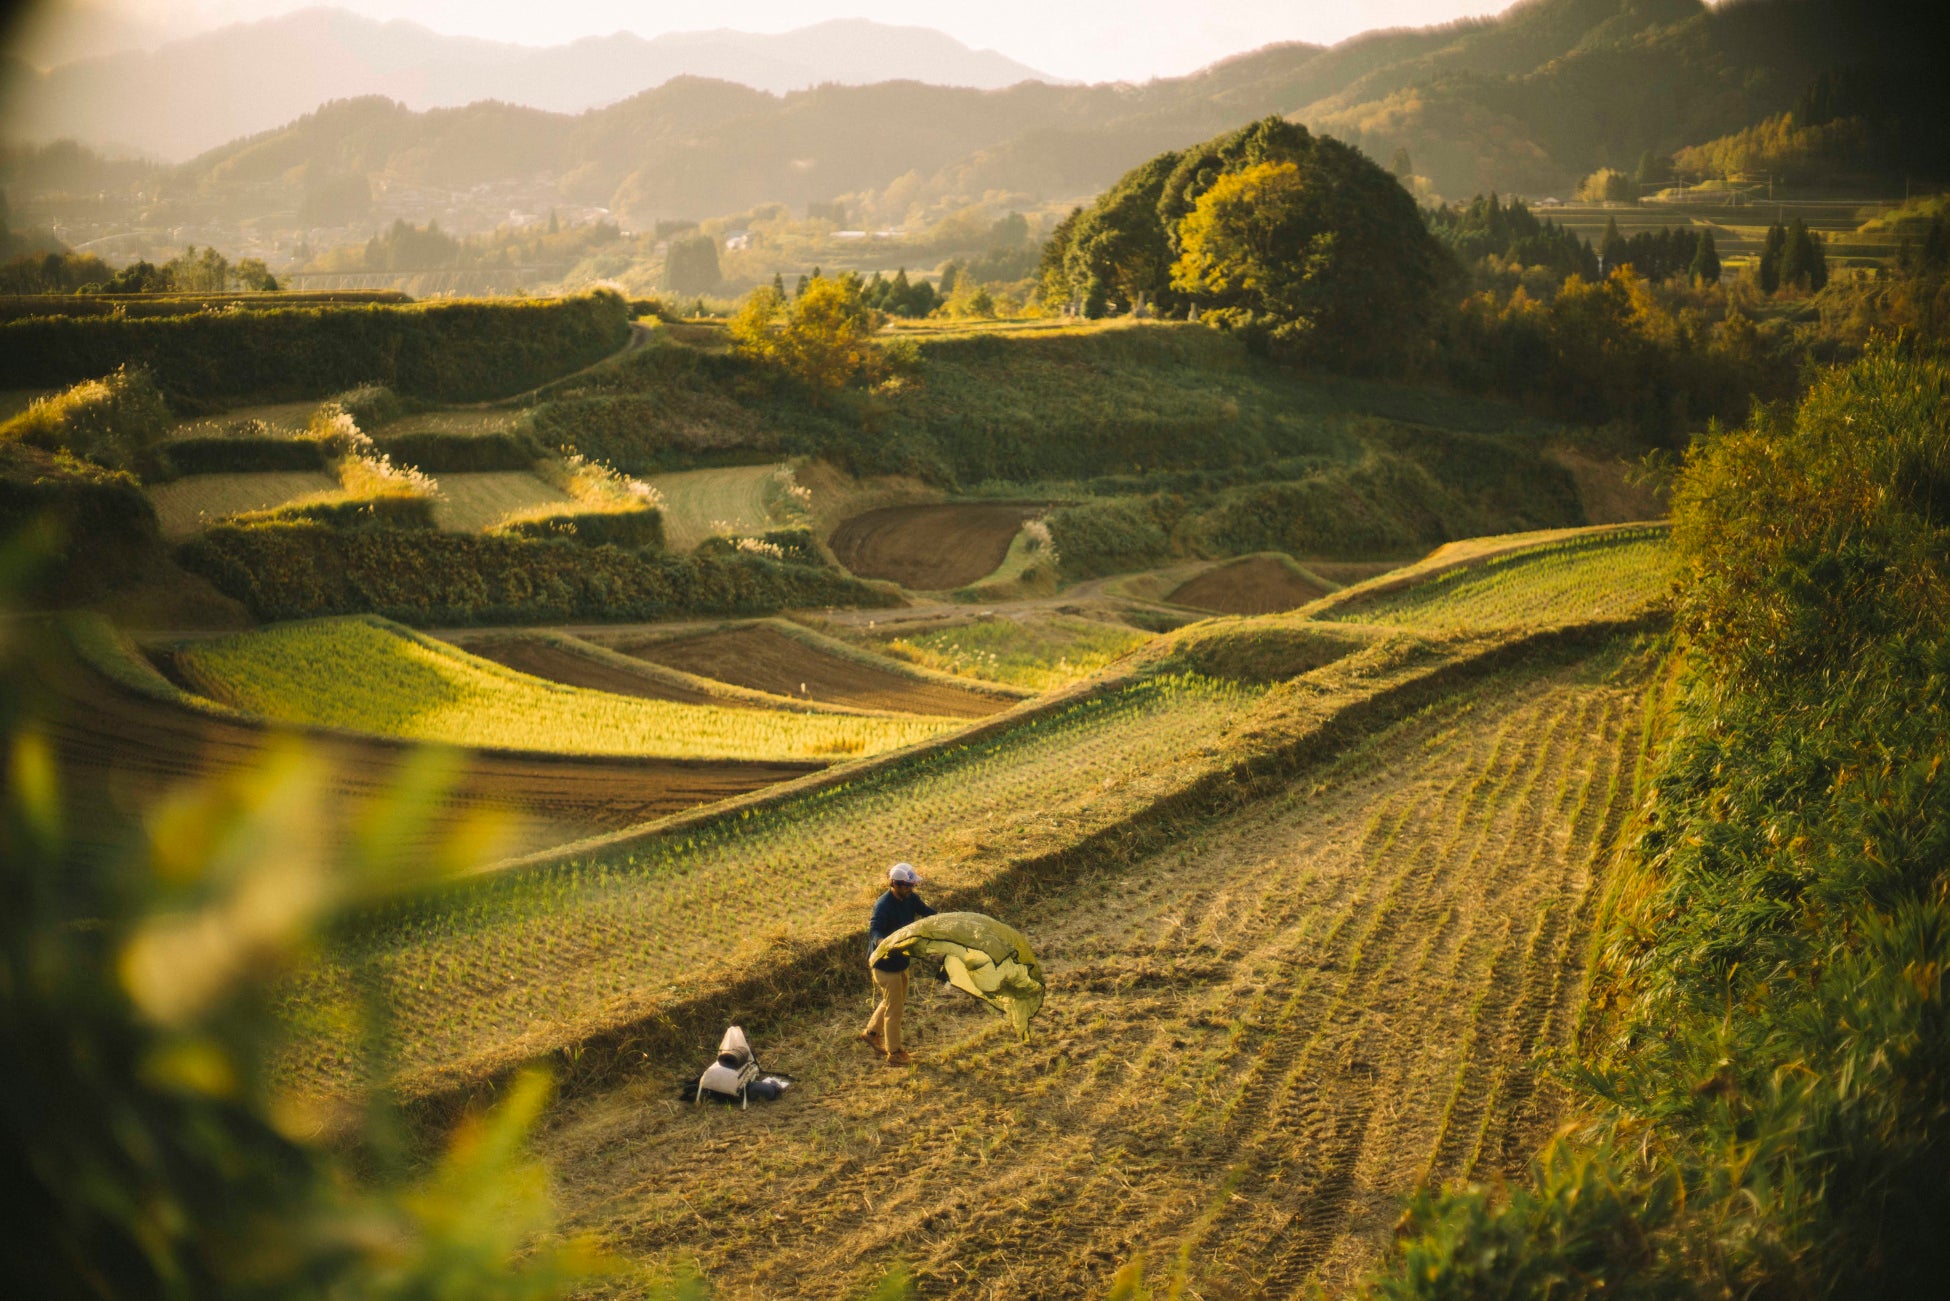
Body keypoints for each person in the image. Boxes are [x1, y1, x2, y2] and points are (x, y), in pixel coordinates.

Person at [862, 862, 935, 1065]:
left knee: (893, 1001)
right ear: (895, 884)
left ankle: (871, 1033)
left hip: (901, 959)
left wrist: (945, 921)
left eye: (912, 886)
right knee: (895, 1010)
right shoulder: (883, 905)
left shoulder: (910, 898)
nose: (911, 889)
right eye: (907, 886)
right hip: (885, 964)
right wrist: (882, 943)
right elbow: (874, 929)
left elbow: (927, 912)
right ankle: (894, 1053)